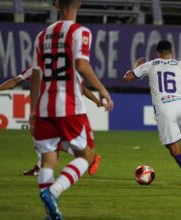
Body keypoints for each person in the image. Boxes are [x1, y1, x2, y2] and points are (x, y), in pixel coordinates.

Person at [30, 0, 114, 219]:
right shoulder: (80, 32)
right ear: (78, 3)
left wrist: (32, 111)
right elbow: (81, 65)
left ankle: (50, 211)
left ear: (56, 5)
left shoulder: (41, 36)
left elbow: (36, 76)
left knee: (49, 158)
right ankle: (53, 192)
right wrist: (102, 90)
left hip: (44, 107)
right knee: (86, 154)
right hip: (69, 105)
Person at [124, 39, 181, 188]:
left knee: (175, 150)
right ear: (171, 52)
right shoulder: (179, 64)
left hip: (165, 108)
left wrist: (135, 67)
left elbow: (127, 78)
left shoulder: (151, 64)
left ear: (157, 53)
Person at [0, 66, 103, 177]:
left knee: (56, 140)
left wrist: (96, 100)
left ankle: (89, 158)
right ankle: (43, 165)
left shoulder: (59, 69)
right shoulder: (36, 67)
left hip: (63, 109)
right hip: (47, 109)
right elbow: (16, 80)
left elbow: (81, 88)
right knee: (40, 133)